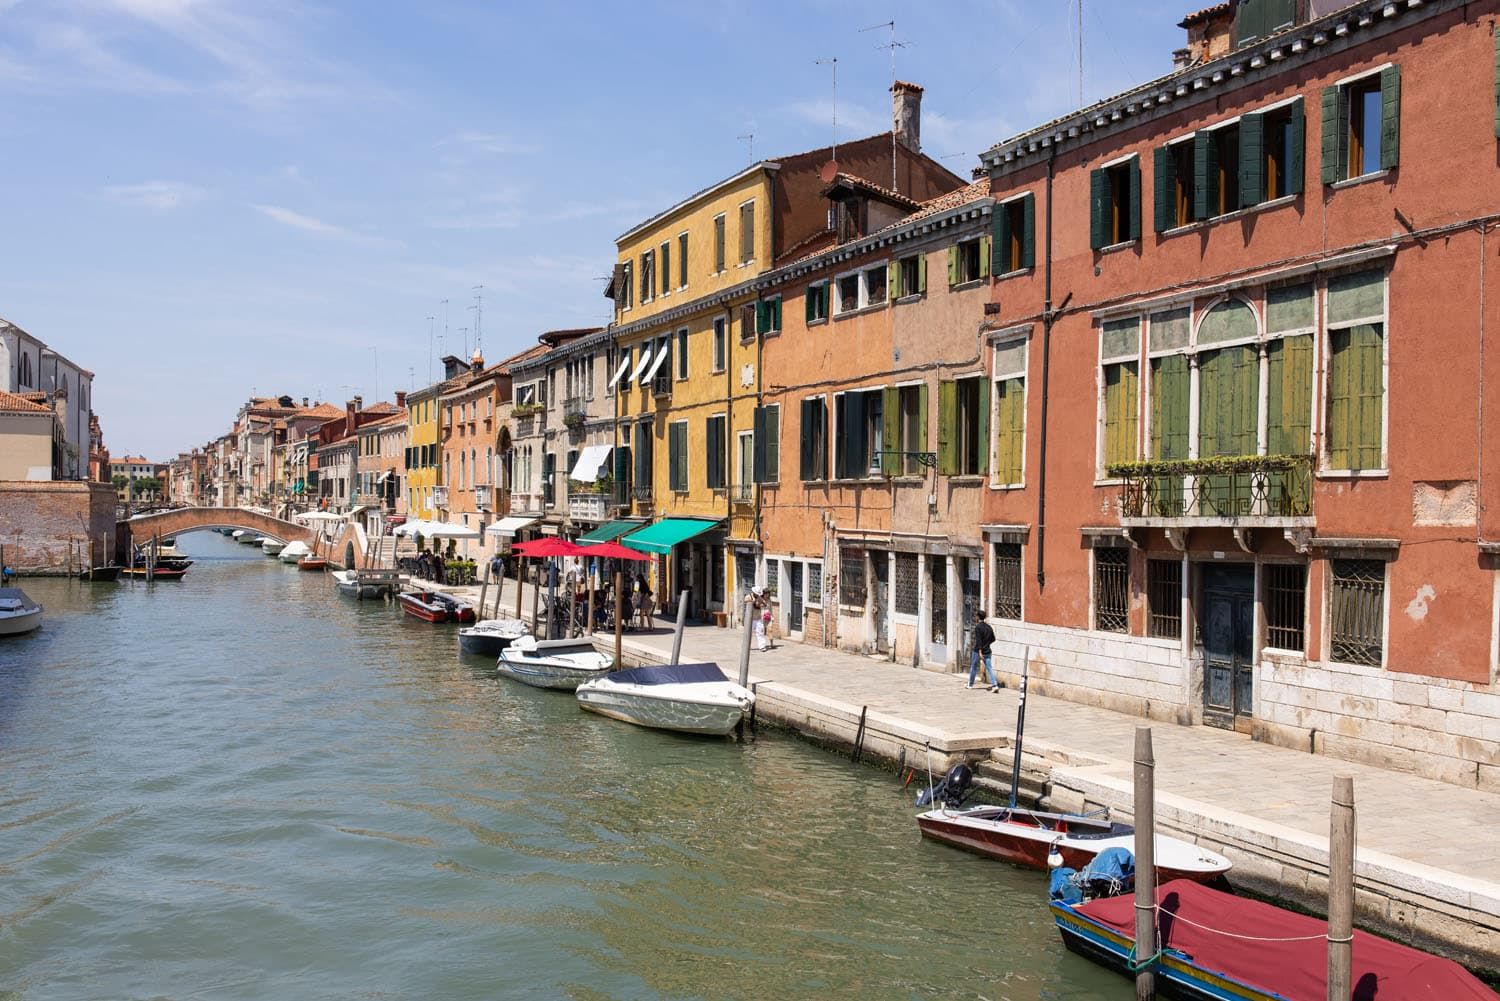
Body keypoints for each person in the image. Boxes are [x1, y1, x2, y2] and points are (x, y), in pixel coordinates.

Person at [967, 609, 1000, 691]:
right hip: (988, 650)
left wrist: (980, 651)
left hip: (978, 651)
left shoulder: (978, 627)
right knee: (989, 668)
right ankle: (995, 685)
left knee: (973, 666)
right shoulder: (989, 627)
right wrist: (986, 644)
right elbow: (993, 639)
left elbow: (978, 641)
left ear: (978, 617)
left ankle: (970, 684)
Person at [750, 586, 771, 652]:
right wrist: (753, 602)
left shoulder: (760, 598)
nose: (758, 595)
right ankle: (746, 645)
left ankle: (762, 646)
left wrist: (762, 604)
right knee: (748, 633)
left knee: (760, 633)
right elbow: (747, 603)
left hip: (758, 618)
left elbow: (765, 605)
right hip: (750, 618)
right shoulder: (749, 597)